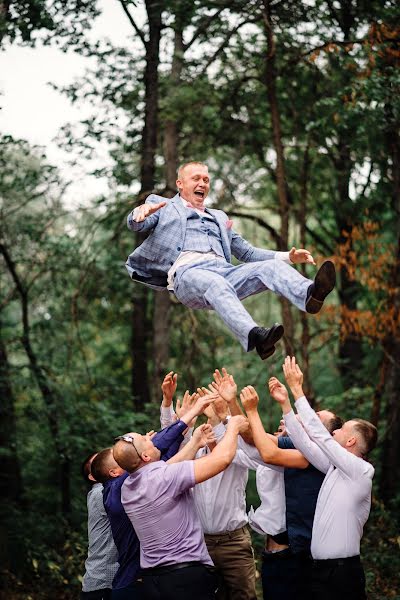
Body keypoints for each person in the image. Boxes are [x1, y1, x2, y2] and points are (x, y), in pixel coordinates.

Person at [125, 161, 336, 359]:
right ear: (180, 184)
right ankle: (255, 336)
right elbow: (138, 224)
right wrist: (139, 213)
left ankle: (309, 295)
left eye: (206, 180)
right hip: (188, 274)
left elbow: (248, 253)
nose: (202, 183)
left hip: (224, 271)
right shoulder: (162, 205)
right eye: (196, 179)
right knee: (217, 283)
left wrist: (287, 257)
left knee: (269, 267)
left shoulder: (219, 217)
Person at [271, 356, 377, 600]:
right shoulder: (334, 467)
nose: (335, 431)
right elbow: (306, 444)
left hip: (342, 573)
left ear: (350, 441)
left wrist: (297, 390)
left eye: (341, 430)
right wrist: (287, 405)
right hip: (320, 571)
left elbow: (322, 438)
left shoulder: (361, 472)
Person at [90, 395, 216, 599]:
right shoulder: (118, 490)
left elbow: (166, 465)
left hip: (148, 581)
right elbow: (162, 453)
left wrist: (187, 436)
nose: (123, 459)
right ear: (114, 472)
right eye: (119, 459)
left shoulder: (138, 481)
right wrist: (188, 417)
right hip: (131, 585)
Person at [113, 414, 249, 600]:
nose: (150, 437)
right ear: (145, 456)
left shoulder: (127, 488)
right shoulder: (166, 477)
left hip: (152, 582)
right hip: (185, 579)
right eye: (145, 439)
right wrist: (233, 427)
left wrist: (194, 443)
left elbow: (164, 471)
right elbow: (222, 459)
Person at [80, 452, 119, 600]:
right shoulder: (99, 493)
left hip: (109, 581)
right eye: (96, 462)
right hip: (101, 582)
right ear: (93, 476)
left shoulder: (109, 489)